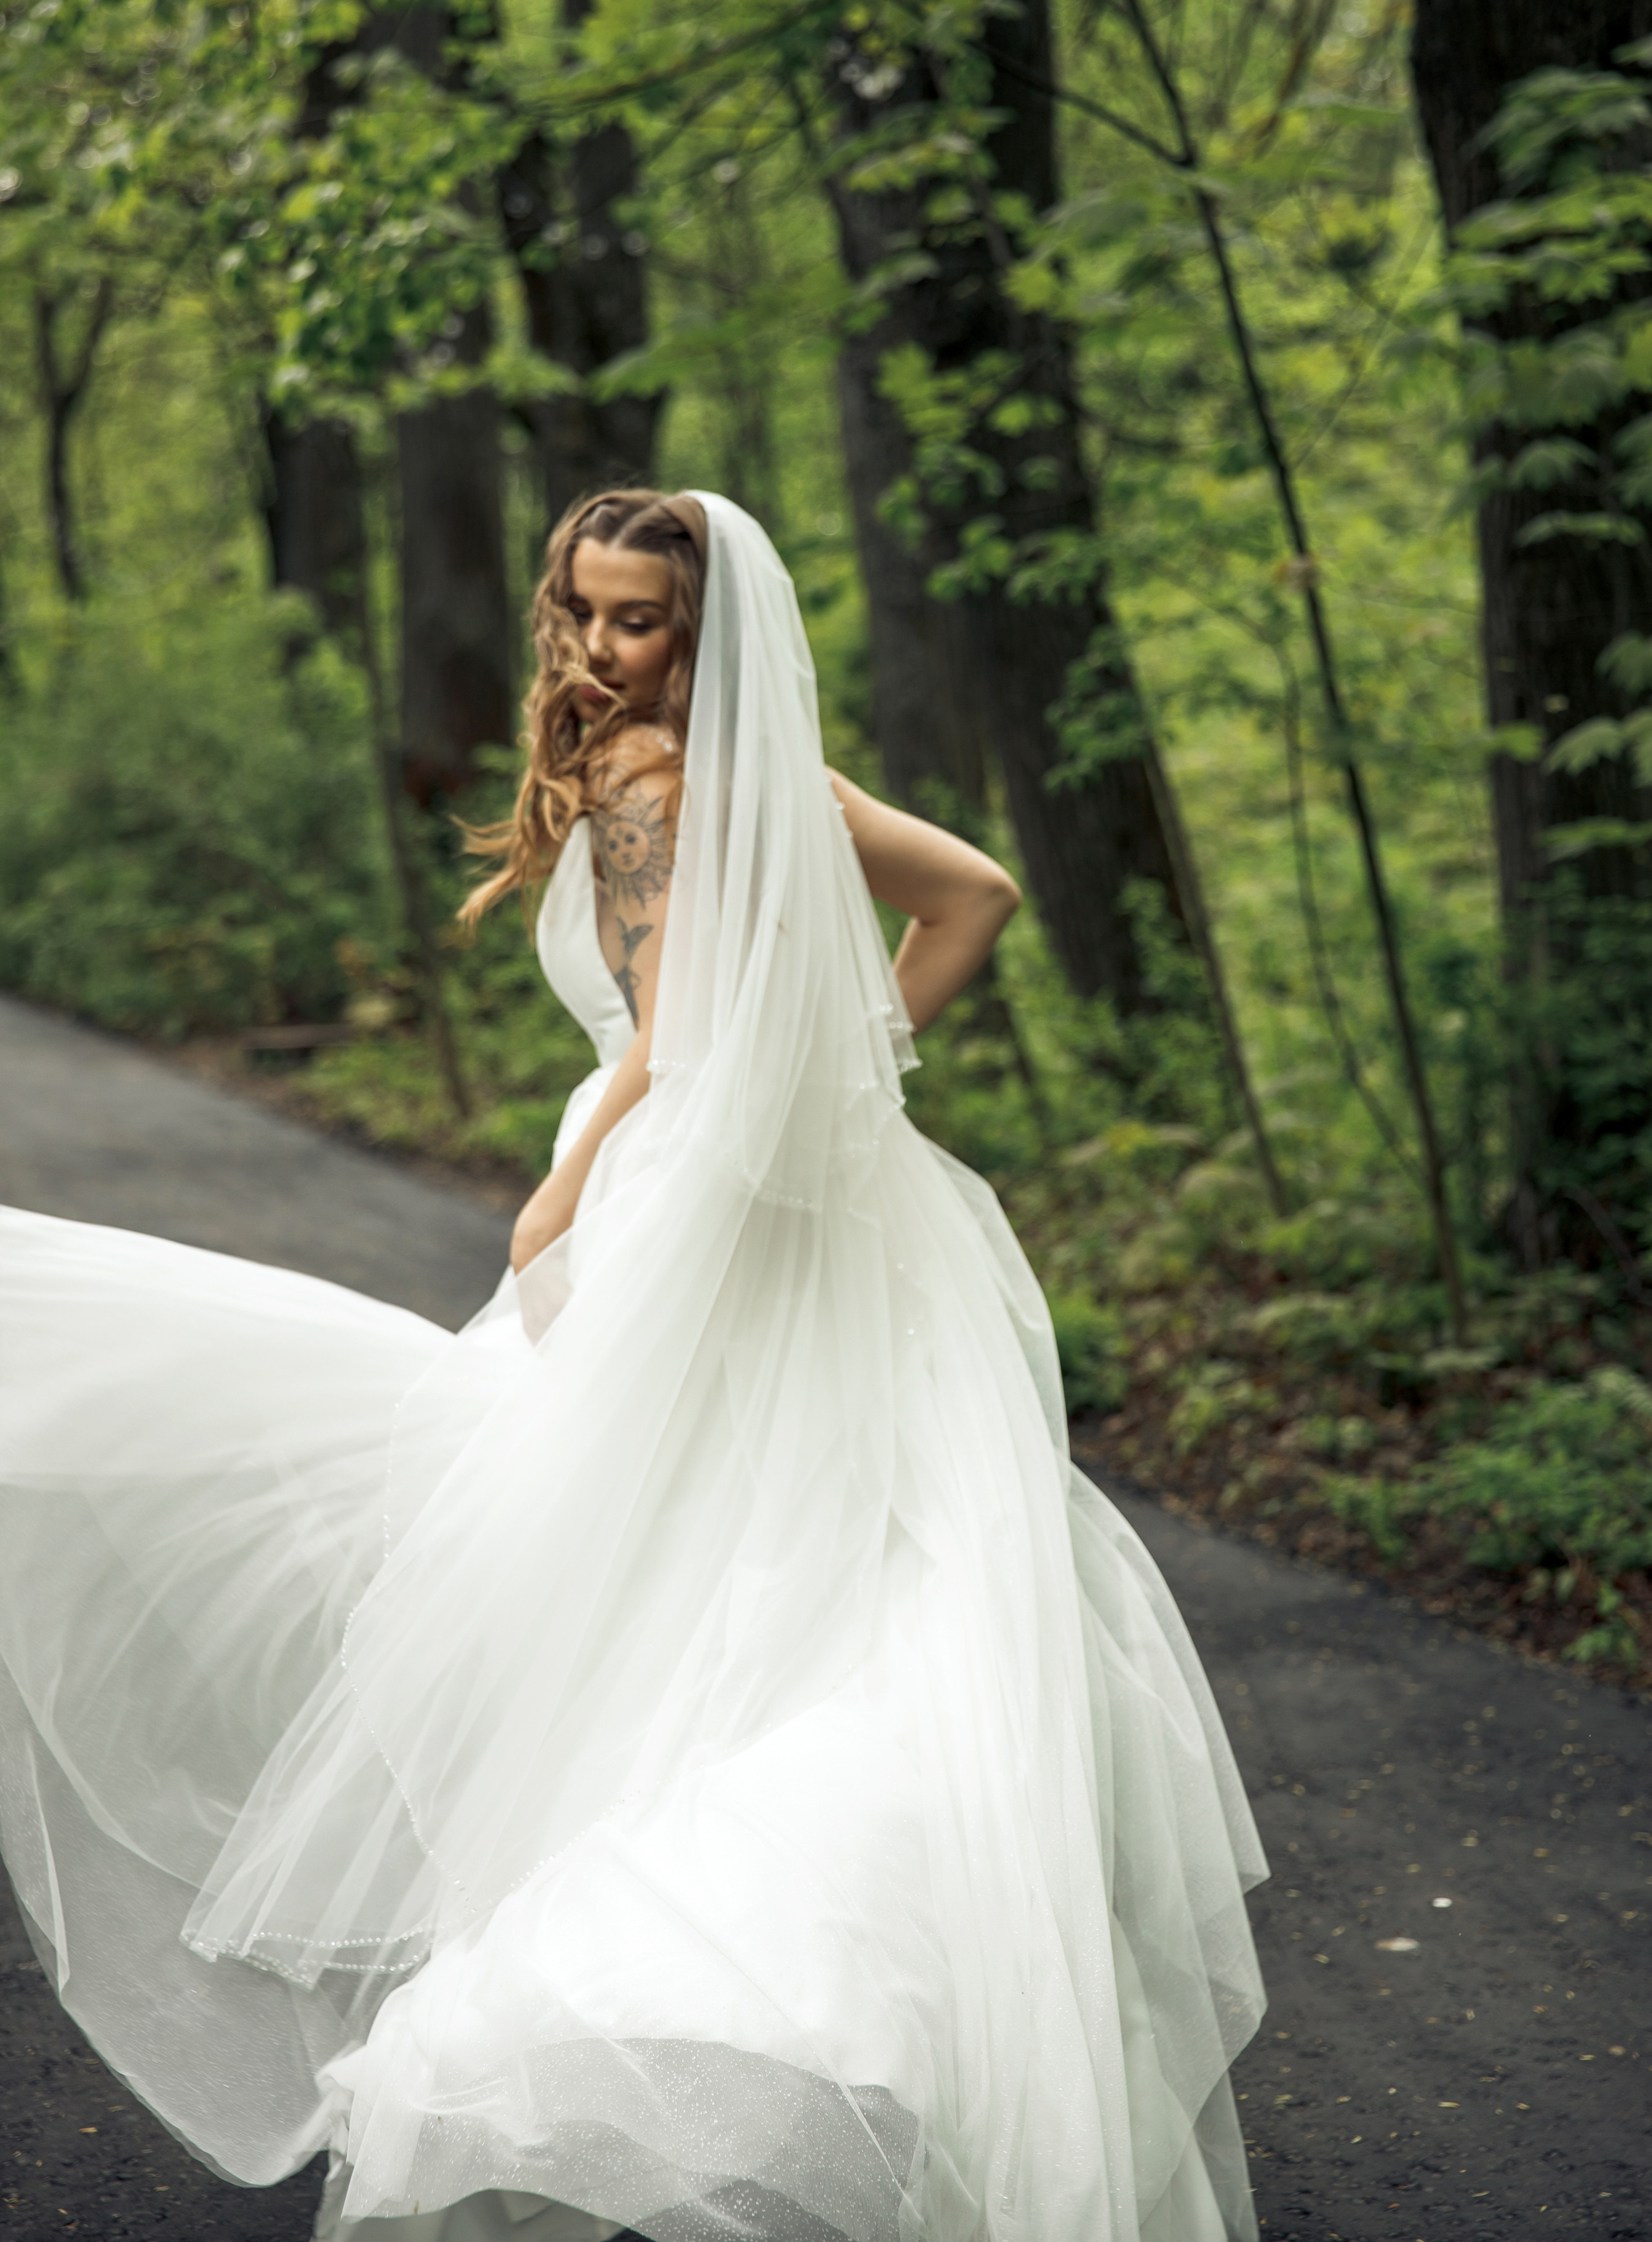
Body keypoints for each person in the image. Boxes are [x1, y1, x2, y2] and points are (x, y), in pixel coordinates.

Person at [0, 489, 1267, 2242]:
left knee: (613, 1566)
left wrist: (565, 1194)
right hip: (829, 1205)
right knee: (804, 1561)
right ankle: (858, 1978)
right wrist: (843, 1068)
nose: (600, 652)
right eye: (583, 616)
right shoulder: (783, 779)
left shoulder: (651, 781)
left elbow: (671, 1037)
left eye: (639, 623)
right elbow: (971, 898)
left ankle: (672, 1980)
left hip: (681, 1199)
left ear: (702, 632)